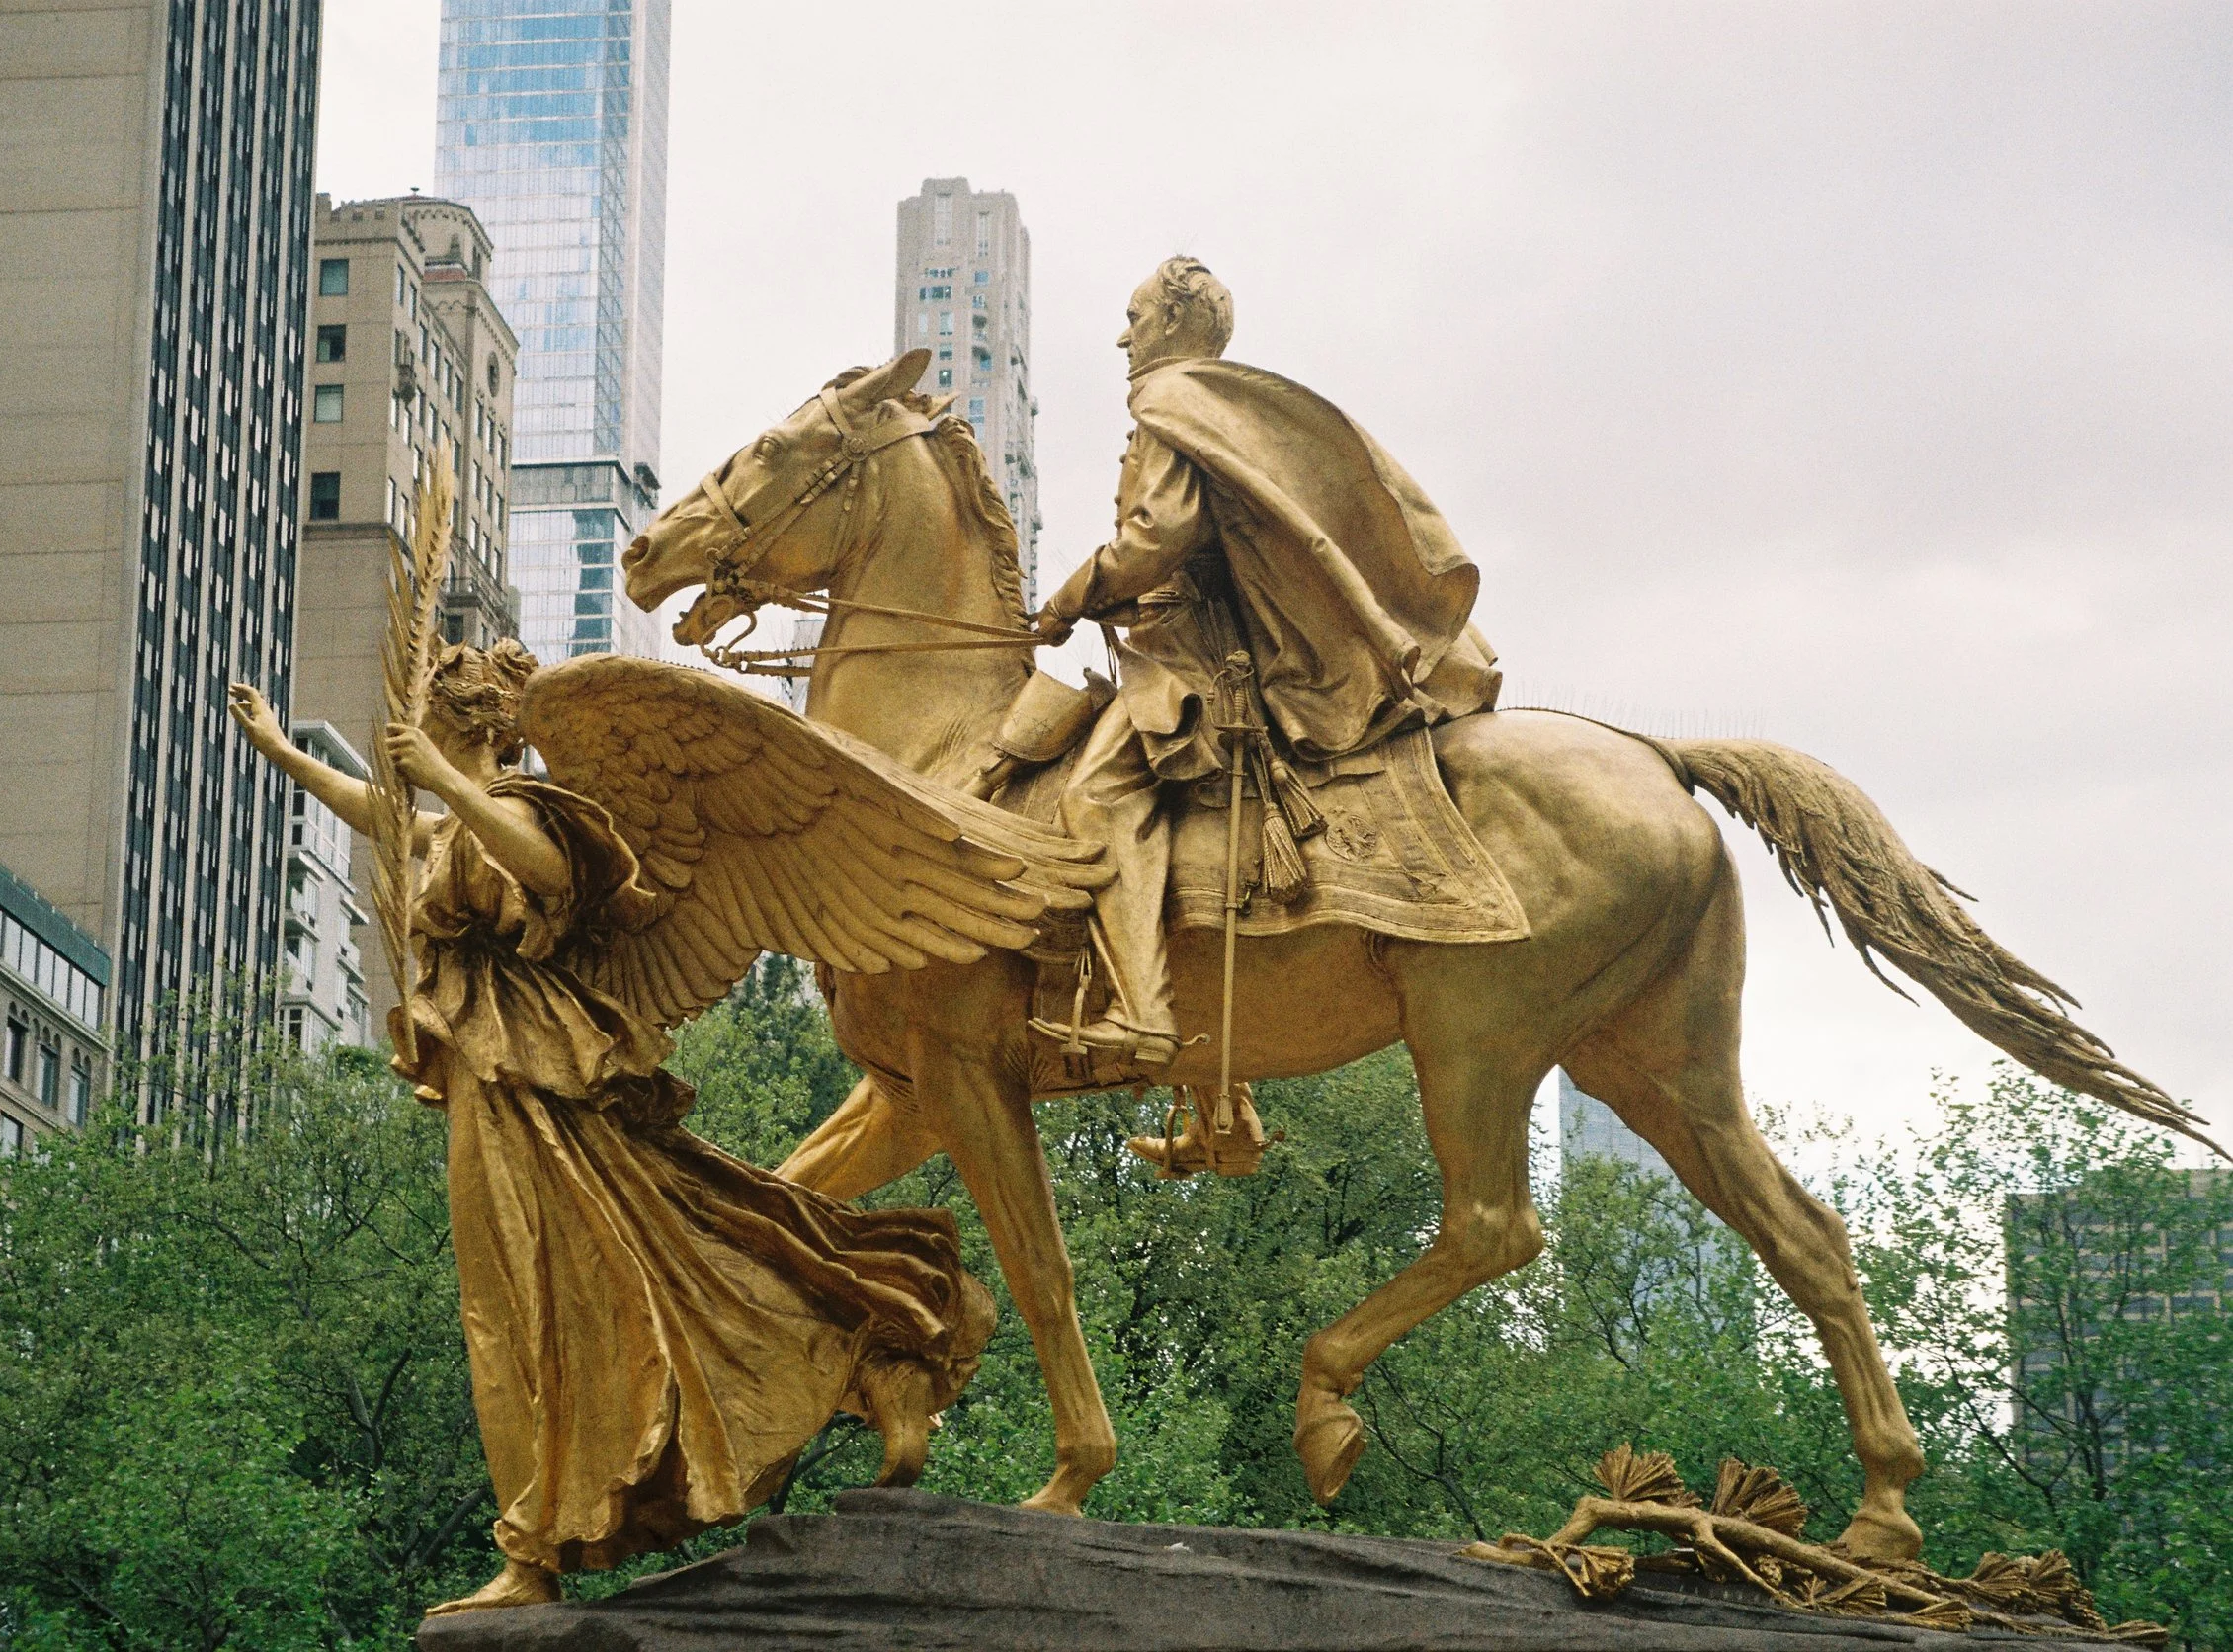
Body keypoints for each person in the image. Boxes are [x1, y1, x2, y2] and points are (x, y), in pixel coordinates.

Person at [227, 644, 992, 1613]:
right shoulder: (453, 821)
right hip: (492, 1080)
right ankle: (536, 1547)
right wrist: (281, 751)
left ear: (478, 722)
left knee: (571, 1299)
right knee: (559, 1296)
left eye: (436, 710)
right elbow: (384, 818)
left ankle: (862, 1343)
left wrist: (444, 785)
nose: (418, 717)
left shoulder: (533, 812)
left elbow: (546, 871)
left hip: (538, 1084)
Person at [1027, 258, 1502, 1071]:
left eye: (1135, 317)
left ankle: (1144, 1013)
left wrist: (1073, 596)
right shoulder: (1217, 407)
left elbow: (1161, 533)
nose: (1123, 336)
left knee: (1101, 793)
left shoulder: (1168, 399)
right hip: (1204, 635)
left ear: (1175, 322)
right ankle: (1222, 1085)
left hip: (1201, 656)